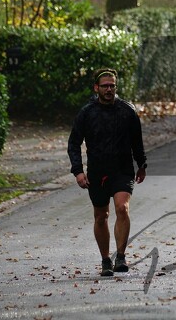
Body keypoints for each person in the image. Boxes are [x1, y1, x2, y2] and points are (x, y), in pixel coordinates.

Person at [67, 68, 147, 277]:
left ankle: (120, 256)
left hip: (122, 169)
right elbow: (74, 143)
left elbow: (137, 141)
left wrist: (142, 164)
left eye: (112, 85)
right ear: (96, 88)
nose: (109, 89)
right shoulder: (87, 113)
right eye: (105, 86)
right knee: (101, 216)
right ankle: (105, 260)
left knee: (122, 208)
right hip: (97, 171)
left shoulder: (127, 111)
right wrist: (78, 171)